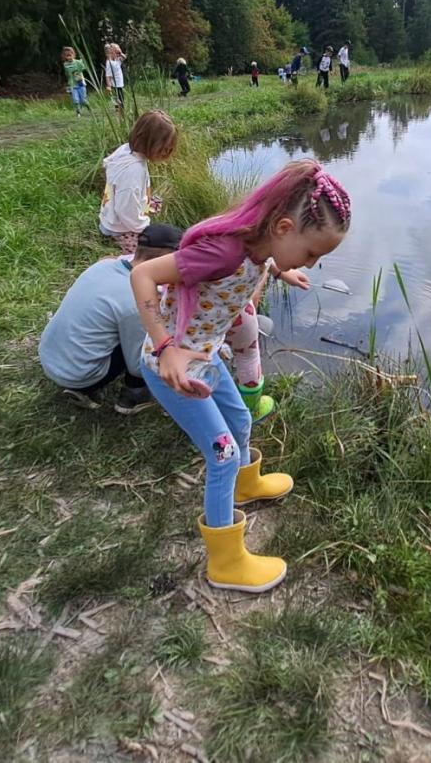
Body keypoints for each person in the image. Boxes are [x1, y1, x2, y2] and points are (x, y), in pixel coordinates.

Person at [130, 160, 352, 593]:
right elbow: (142, 274)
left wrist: (283, 269)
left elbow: (259, 263)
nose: (314, 262)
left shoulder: (259, 246)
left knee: (242, 421)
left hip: (205, 355)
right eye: (312, 253)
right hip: (170, 365)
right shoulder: (223, 251)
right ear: (284, 226)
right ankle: (226, 563)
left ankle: (246, 489)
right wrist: (164, 347)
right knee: (223, 454)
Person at [38, 224, 182, 414]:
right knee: (152, 335)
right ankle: (133, 397)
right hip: (78, 375)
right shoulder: (138, 300)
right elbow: (139, 365)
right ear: (165, 259)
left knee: (121, 325)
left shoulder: (103, 265)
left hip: (48, 357)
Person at [100, 110, 177, 255]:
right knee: (154, 255)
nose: (166, 153)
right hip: (120, 228)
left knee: (155, 202)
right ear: (149, 142)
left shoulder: (126, 150)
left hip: (112, 215)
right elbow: (125, 211)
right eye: (164, 149)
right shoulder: (133, 171)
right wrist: (146, 227)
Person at [62, 46, 88, 112]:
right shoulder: (65, 65)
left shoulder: (78, 62)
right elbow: (68, 74)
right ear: (65, 57)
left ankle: (88, 108)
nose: (69, 57)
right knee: (75, 100)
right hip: (72, 84)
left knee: (83, 100)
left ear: (73, 54)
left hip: (80, 83)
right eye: (67, 56)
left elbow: (83, 68)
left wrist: (81, 63)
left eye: (70, 55)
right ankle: (78, 110)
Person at [104, 43, 126, 109]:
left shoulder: (117, 60)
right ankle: (119, 111)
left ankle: (120, 111)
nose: (117, 54)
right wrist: (108, 86)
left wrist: (120, 53)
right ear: (111, 52)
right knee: (118, 100)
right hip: (115, 85)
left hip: (120, 84)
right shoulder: (109, 63)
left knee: (121, 99)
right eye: (115, 52)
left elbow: (124, 57)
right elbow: (108, 75)